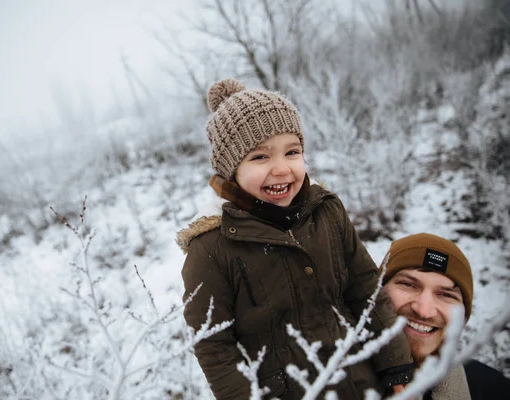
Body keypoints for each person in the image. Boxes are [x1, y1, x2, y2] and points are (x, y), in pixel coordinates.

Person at [177, 78, 414, 400]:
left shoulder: (326, 211)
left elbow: (365, 286)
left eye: (292, 152)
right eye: (260, 157)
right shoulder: (211, 248)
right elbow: (214, 346)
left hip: (362, 380)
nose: (281, 168)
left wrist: (395, 361)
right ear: (232, 170)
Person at [381, 232, 510, 399]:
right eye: (408, 284)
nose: (424, 311)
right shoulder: (339, 378)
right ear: (376, 293)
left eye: (446, 295)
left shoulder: (495, 390)